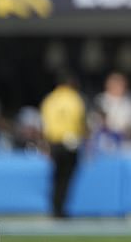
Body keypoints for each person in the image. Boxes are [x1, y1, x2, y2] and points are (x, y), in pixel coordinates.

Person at [40, 72, 86, 218]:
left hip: (54, 143)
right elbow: (80, 122)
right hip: (71, 143)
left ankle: (54, 207)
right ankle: (60, 209)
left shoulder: (50, 99)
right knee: (66, 178)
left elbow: (44, 124)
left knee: (56, 177)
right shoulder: (75, 99)